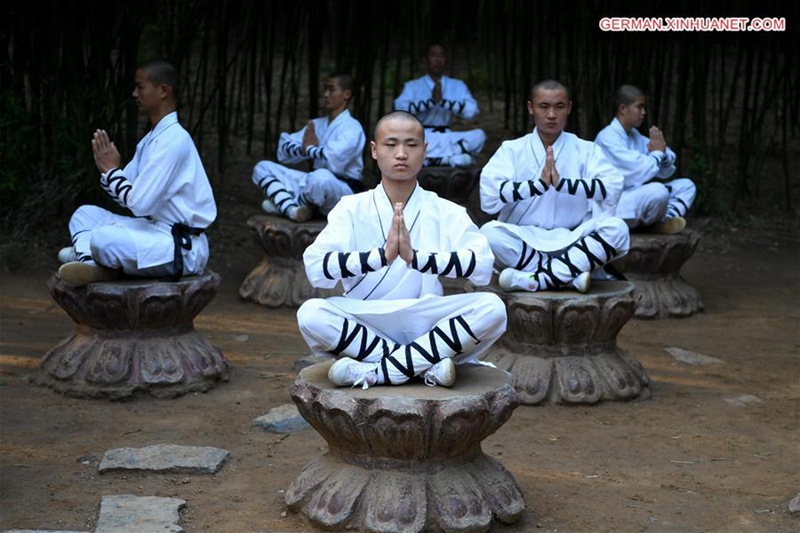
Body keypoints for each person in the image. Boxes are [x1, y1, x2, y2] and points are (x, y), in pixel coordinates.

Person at [296, 111, 506, 389]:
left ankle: (378, 372)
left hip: (427, 320)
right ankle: (422, 366)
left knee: (493, 308)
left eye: (411, 144)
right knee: (310, 313)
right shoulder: (350, 208)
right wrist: (379, 258)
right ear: (374, 150)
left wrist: (418, 259)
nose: (401, 153)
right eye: (391, 144)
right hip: (365, 318)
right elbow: (317, 269)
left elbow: (481, 267)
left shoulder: (446, 210)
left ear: (425, 150)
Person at [57, 58, 217, 286]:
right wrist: (108, 169)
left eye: (140, 86)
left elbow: (140, 205)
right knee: (85, 214)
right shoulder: (153, 139)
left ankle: (92, 258)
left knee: (103, 239)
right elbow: (127, 196)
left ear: (163, 91)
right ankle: (93, 263)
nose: (134, 93)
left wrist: (112, 171)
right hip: (155, 230)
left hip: (181, 247)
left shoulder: (174, 140)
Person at [480, 79, 630, 293]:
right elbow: (489, 196)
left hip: (574, 240)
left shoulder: (586, 149)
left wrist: (565, 184)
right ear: (531, 107)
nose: (551, 114)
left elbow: (612, 186)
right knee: (488, 234)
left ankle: (536, 280)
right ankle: (568, 276)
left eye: (559, 106)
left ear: (569, 107)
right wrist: (536, 186)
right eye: (544, 106)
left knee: (618, 229)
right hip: (524, 241)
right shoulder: (511, 150)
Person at [251, 73, 366, 222]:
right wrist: (302, 150)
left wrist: (310, 149)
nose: (325, 95)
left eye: (331, 89)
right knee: (262, 167)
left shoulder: (352, 128)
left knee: (321, 178)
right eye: (325, 89)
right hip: (312, 184)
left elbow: (335, 157)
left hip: (340, 190)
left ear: (346, 94)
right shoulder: (317, 124)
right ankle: (293, 210)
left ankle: (284, 205)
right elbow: (284, 148)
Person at [594, 84, 696, 234]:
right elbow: (640, 169)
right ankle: (655, 221)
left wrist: (661, 154)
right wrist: (658, 154)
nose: (643, 113)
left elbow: (664, 162)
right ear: (623, 109)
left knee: (686, 186)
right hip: (614, 203)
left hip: (634, 195)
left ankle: (663, 221)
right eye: (639, 107)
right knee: (658, 192)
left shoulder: (634, 135)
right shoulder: (607, 138)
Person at [394, 42, 485, 167]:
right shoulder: (412, 86)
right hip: (422, 136)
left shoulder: (457, 85)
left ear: (446, 59)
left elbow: (472, 111)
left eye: (441, 56)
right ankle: (449, 159)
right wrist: (429, 102)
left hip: (447, 137)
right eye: (433, 55)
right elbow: (399, 111)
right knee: (404, 139)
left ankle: (428, 160)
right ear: (424, 59)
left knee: (479, 136)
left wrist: (444, 102)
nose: (438, 60)